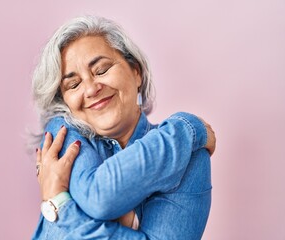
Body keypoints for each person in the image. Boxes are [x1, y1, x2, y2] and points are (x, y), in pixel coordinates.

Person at [31, 15, 215, 239]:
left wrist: (59, 203)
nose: (90, 89)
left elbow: (97, 201)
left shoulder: (189, 155)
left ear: (136, 72)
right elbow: (99, 199)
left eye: (101, 70)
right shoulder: (62, 133)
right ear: (64, 102)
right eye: (74, 84)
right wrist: (190, 129)